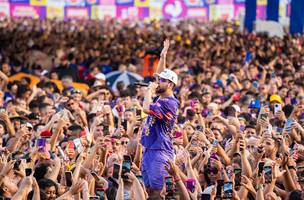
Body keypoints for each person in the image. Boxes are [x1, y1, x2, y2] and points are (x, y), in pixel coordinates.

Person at [141, 40, 180, 199]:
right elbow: (161, 75)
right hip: (150, 149)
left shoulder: (170, 103)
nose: (158, 83)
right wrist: (163, 55)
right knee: (149, 189)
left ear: (170, 84)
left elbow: (145, 108)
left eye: (162, 81)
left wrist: (148, 91)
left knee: (158, 192)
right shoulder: (162, 96)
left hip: (160, 151)